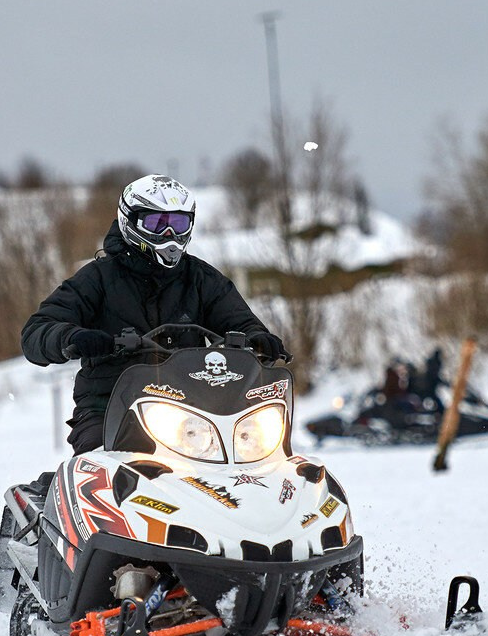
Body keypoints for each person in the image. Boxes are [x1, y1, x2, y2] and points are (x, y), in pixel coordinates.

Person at [21, 174, 288, 455]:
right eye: (157, 223)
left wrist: (258, 340)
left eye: (178, 223)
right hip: (111, 407)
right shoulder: (97, 279)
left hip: (195, 412)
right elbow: (37, 331)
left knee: (255, 455)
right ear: (130, 219)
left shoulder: (202, 279)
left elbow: (240, 320)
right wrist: (71, 337)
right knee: (108, 460)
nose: (169, 234)